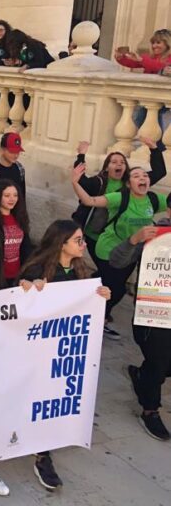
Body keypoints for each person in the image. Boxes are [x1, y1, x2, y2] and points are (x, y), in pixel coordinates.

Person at [19, 220, 112, 488]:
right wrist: (27, 288)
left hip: (64, 350)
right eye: (79, 240)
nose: (83, 245)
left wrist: (101, 297)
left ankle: (46, 446)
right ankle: (40, 452)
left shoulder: (82, 271)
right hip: (38, 349)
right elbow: (19, 303)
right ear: (62, 244)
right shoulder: (38, 269)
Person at [71, 163, 167, 338]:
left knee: (109, 282)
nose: (142, 178)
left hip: (130, 253)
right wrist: (75, 182)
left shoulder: (153, 199)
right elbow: (90, 201)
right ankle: (99, 320)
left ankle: (85, 296)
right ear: (129, 184)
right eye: (136, 175)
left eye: (144, 175)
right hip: (109, 250)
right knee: (115, 289)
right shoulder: (120, 197)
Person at [110, 224, 171, 441]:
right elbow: (116, 261)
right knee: (159, 361)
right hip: (155, 314)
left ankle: (142, 375)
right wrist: (133, 240)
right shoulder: (153, 235)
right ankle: (150, 410)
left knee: (164, 366)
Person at [71, 137, 166, 263]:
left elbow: (159, 172)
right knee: (104, 265)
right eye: (114, 162)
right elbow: (80, 179)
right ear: (106, 168)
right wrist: (81, 154)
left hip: (121, 238)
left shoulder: (132, 182)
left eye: (122, 162)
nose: (119, 164)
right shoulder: (98, 182)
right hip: (96, 234)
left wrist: (154, 149)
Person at [0, 179, 31, 285]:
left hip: (18, 275)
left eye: (15, 195)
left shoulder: (20, 218)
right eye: (7, 195)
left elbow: (26, 247)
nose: (12, 199)